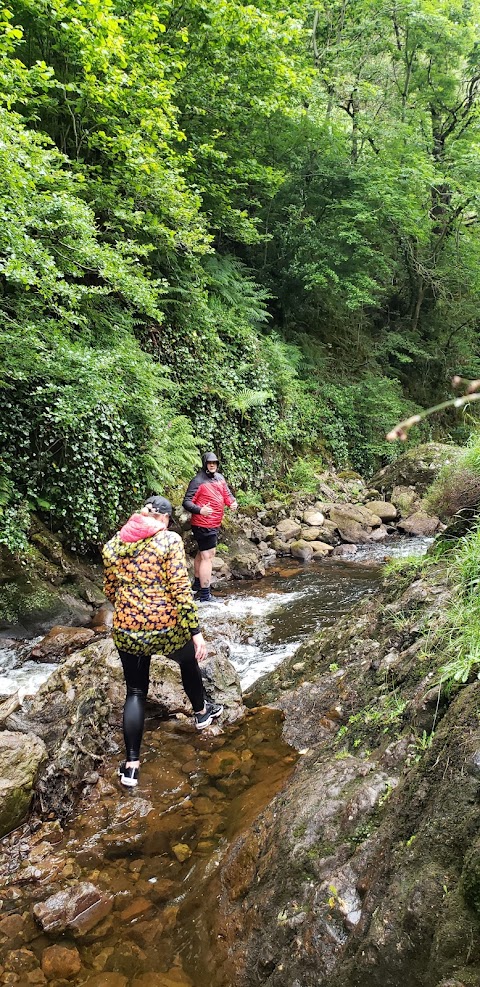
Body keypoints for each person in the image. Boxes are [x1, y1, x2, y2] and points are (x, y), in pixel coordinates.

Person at [102, 495, 223, 789]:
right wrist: (196, 634)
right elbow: (181, 591)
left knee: (135, 691)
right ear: (165, 519)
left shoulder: (114, 545)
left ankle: (131, 766)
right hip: (165, 624)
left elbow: (110, 589)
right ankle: (201, 713)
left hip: (127, 628)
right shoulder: (168, 541)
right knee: (187, 660)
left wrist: (132, 608)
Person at [183, 452, 237, 602]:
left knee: (202, 553)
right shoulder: (197, 481)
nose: (212, 465)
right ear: (205, 463)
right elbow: (187, 502)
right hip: (202, 524)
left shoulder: (220, 478)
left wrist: (232, 503)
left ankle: (197, 587)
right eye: (209, 463)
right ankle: (205, 596)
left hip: (214, 523)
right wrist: (200, 510)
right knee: (208, 556)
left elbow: (227, 495)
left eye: (215, 463)